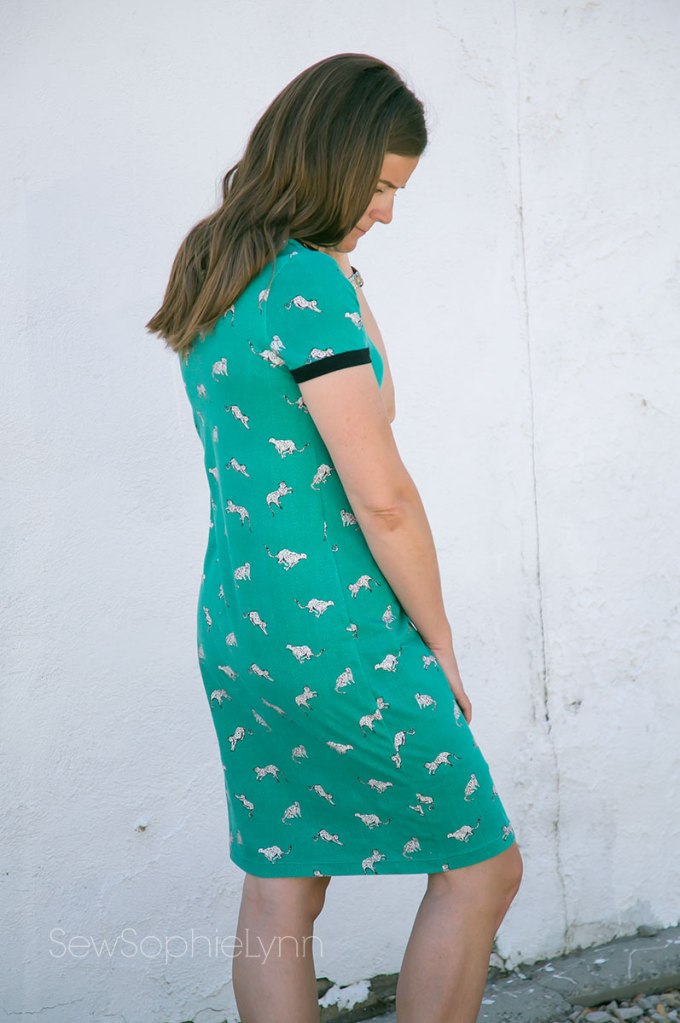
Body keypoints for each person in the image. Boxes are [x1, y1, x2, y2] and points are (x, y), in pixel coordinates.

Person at [147, 52, 523, 1023]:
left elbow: (374, 403)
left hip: (241, 626)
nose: (387, 212)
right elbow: (381, 495)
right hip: (339, 635)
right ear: (333, 159)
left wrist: (345, 265)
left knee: (283, 885)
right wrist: (438, 641)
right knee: (483, 868)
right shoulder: (306, 283)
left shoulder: (216, 260)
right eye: (380, 186)